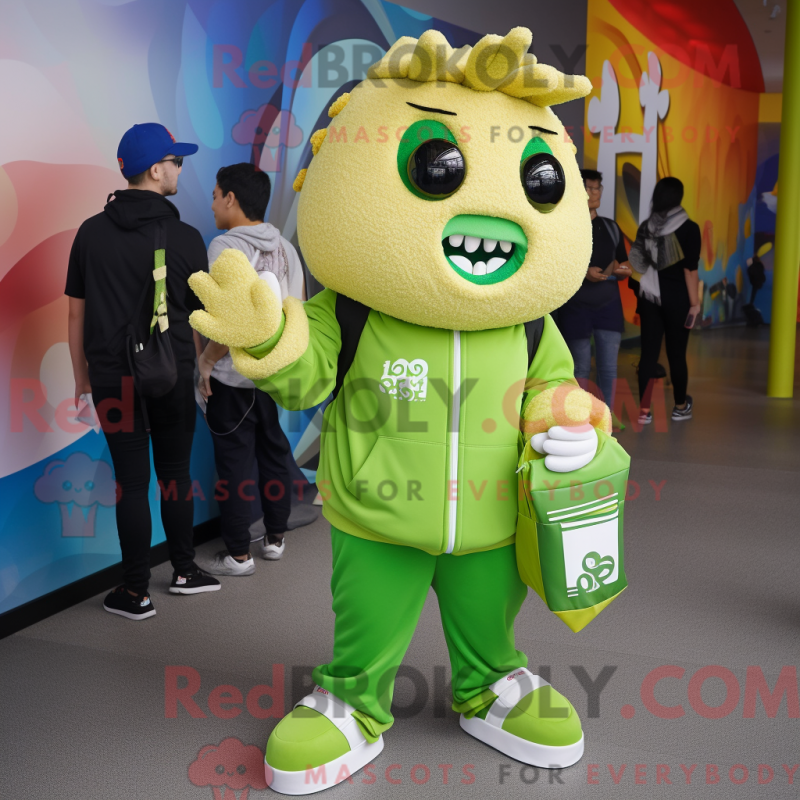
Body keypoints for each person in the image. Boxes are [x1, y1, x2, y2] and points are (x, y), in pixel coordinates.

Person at [66, 123, 220, 621]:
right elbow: (202, 317)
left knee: (130, 484)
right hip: (171, 372)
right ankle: (184, 572)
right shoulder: (186, 237)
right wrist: (201, 367)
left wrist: (81, 376)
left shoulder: (90, 233)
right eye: (177, 162)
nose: (180, 170)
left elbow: (76, 314)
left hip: (112, 376)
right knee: (175, 475)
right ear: (156, 170)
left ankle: (135, 593)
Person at [195, 163, 306, 577]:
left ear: (231, 199)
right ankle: (275, 539)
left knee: (234, 464)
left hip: (232, 377)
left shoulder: (225, 246)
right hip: (274, 373)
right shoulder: (286, 248)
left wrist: (207, 361)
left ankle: (239, 556)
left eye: (214, 195)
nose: (211, 204)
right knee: (273, 453)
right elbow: (297, 310)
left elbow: (235, 320)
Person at [557, 169, 632, 416]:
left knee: (608, 369)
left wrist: (623, 269)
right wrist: (584, 273)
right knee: (579, 368)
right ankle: (578, 418)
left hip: (608, 305)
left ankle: (605, 418)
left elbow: (624, 260)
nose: (594, 193)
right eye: (588, 188)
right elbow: (556, 265)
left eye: (597, 188)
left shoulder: (610, 227)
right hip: (575, 306)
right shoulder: (565, 226)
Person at [628, 177, 701, 423]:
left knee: (648, 355)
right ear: (679, 197)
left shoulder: (647, 227)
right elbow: (690, 270)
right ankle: (680, 406)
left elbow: (637, 264)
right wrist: (695, 304)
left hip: (649, 297)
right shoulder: (689, 228)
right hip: (678, 300)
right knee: (676, 355)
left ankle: (644, 412)